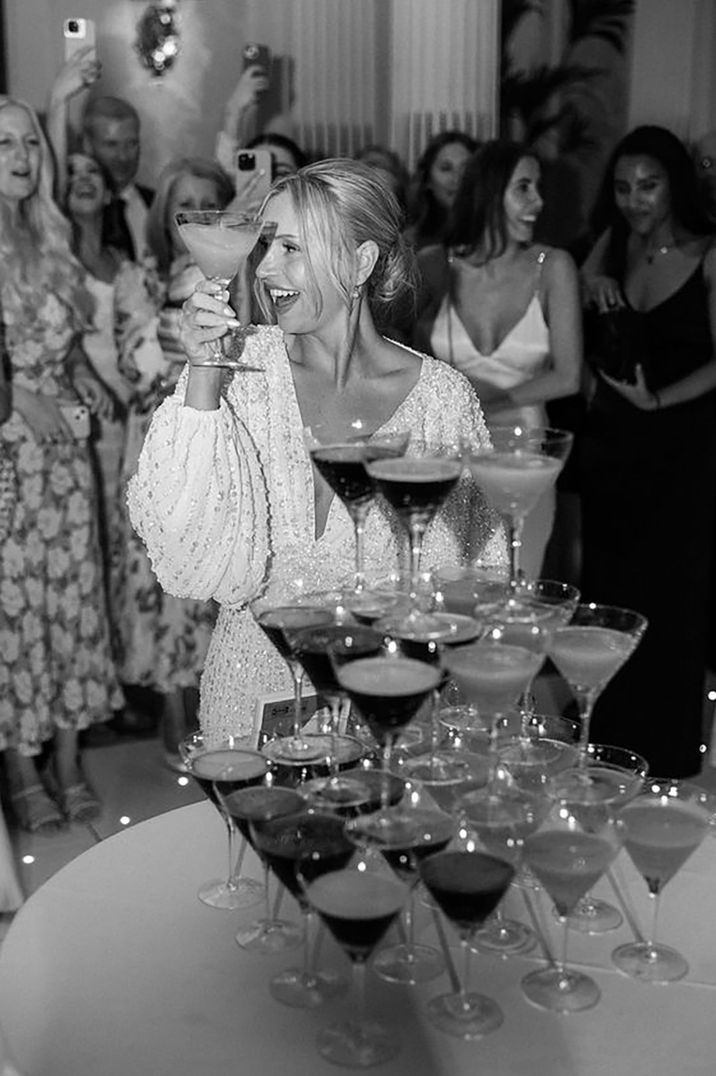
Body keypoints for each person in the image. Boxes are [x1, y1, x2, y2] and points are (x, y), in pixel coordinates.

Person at [127, 159, 505, 744]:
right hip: (251, 704)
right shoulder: (241, 372)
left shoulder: (441, 401)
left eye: (292, 249)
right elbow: (187, 557)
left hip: (390, 707)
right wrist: (203, 370)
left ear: (361, 262)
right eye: (266, 244)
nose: (267, 266)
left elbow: (474, 581)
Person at [579, 124, 716, 778]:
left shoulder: (708, 252)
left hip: (683, 449)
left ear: (675, 185)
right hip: (616, 450)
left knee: (673, 599)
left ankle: (666, 751)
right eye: (624, 186)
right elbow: (582, 273)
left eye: (650, 185)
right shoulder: (618, 241)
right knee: (613, 593)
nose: (636, 199)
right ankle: (610, 740)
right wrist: (598, 285)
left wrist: (658, 402)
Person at [0, 97, 121, 830]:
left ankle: (69, 759)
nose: (19, 154)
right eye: (3, 143)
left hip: (66, 460)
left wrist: (84, 380)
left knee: (73, 603)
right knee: (15, 613)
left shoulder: (50, 236)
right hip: (9, 453)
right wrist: (17, 396)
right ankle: (21, 765)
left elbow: (66, 342)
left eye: (27, 142)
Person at [413, 140, 582, 579]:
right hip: (451, 449)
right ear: (488, 191)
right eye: (523, 188)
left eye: (537, 188)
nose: (538, 202)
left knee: (515, 585)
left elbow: (567, 376)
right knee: (447, 588)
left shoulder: (553, 266)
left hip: (524, 454)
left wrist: (485, 402)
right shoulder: (435, 265)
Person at [112, 157, 232, 766]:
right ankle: (172, 706)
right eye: (187, 208)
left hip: (216, 441)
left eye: (213, 205)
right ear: (167, 217)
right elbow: (137, 368)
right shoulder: (140, 277)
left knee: (211, 579)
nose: (200, 220)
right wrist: (182, 308)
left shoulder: (242, 277)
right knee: (161, 579)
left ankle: (216, 701)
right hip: (154, 442)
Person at [82, 96, 153, 262]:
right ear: (87, 145)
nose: (123, 157)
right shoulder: (74, 210)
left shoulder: (156, 205)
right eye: (111, 145)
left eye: (131, 144)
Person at [404, 130, 478, 251]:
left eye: (467, 168)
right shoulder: (409, 242)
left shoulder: (495, 237)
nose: (457, 178)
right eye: (446, 168)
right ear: (428, 180)